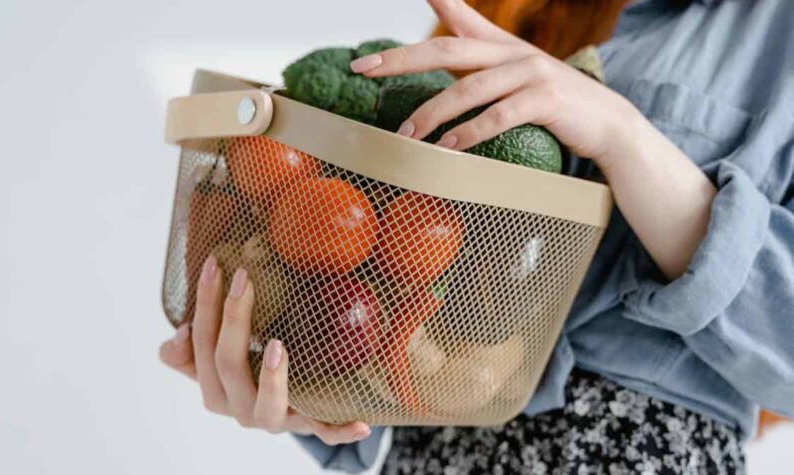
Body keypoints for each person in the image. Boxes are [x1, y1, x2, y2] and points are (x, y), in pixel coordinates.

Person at [159, 0, 794, 472]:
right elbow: (394, 272)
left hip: (630, 452)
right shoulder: (507, 10)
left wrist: (619, 133)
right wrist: (309, 387)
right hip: (426, 454)